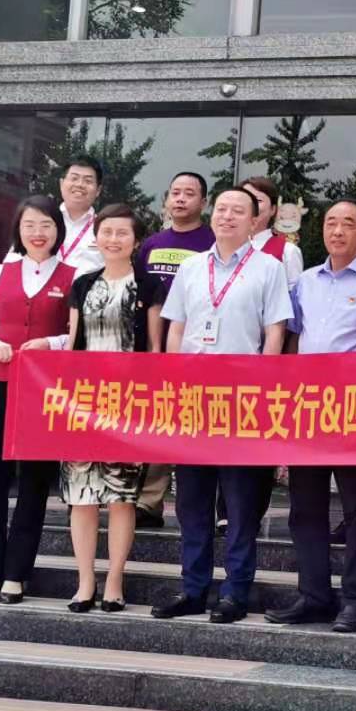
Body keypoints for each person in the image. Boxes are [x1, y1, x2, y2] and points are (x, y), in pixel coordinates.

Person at [150, 188, 293, 624]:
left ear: (254, 221)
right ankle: (193, 588)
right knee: (191, 502)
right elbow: (177, 328)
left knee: (239, 502)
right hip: (194, 398)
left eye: (238, 211)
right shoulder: (192, 267)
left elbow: (275, 331)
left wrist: (265, 387)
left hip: (242, 399)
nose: (228, 216)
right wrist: (174, 380)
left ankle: (235, 592)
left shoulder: (269, 268)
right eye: (223, 209)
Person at [268, 200, 356, 633]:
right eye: (331, 222)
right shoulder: (305, 281)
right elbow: (293, 342)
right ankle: (314, 595)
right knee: (305, 507)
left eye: (348, 223)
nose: (338, 231)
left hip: (355, 409)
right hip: (309, 408)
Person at [0, 195, 74, 605]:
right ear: (18, 231)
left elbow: (77, 335)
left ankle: (16, 574)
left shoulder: (74, 276)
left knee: (35, 481)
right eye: (29, 225)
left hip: (45, 389)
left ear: (58, 229)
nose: (38, 233)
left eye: (46, 225)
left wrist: (51, 342)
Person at [61, 204, 164, 613]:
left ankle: (114, 582)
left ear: (136, 241)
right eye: (107, 232)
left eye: (122, 233)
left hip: (128, 403)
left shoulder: (149, 285)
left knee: (122, 496)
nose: (114, 239)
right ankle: (85, 581)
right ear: (96, 237)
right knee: (82, 495)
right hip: (84, 402)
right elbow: (73, 344)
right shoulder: (83, 284)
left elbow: (154, 349)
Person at [135, 171, 214, 527]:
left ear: (204, 202)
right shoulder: (151, 244)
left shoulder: (212, 242)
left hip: (196, 349)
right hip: (155, 348)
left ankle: (200, 508)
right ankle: (149, 502)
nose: (181, 199)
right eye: (176, 192)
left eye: (190, 193)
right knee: (157, 423)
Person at [6, 157, 105, 273]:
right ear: (61, 184)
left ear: (98, 190)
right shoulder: (39, 221)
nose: (80, 184)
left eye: (88, 181)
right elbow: (12, 262)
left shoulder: (106, 231)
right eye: (74, 178)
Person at [241, 174, 304, 286]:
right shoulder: (227, 248)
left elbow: (294, 294)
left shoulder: (288, 251)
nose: (251, 205)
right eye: (245, 199)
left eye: (258, 200)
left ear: (273, 209)